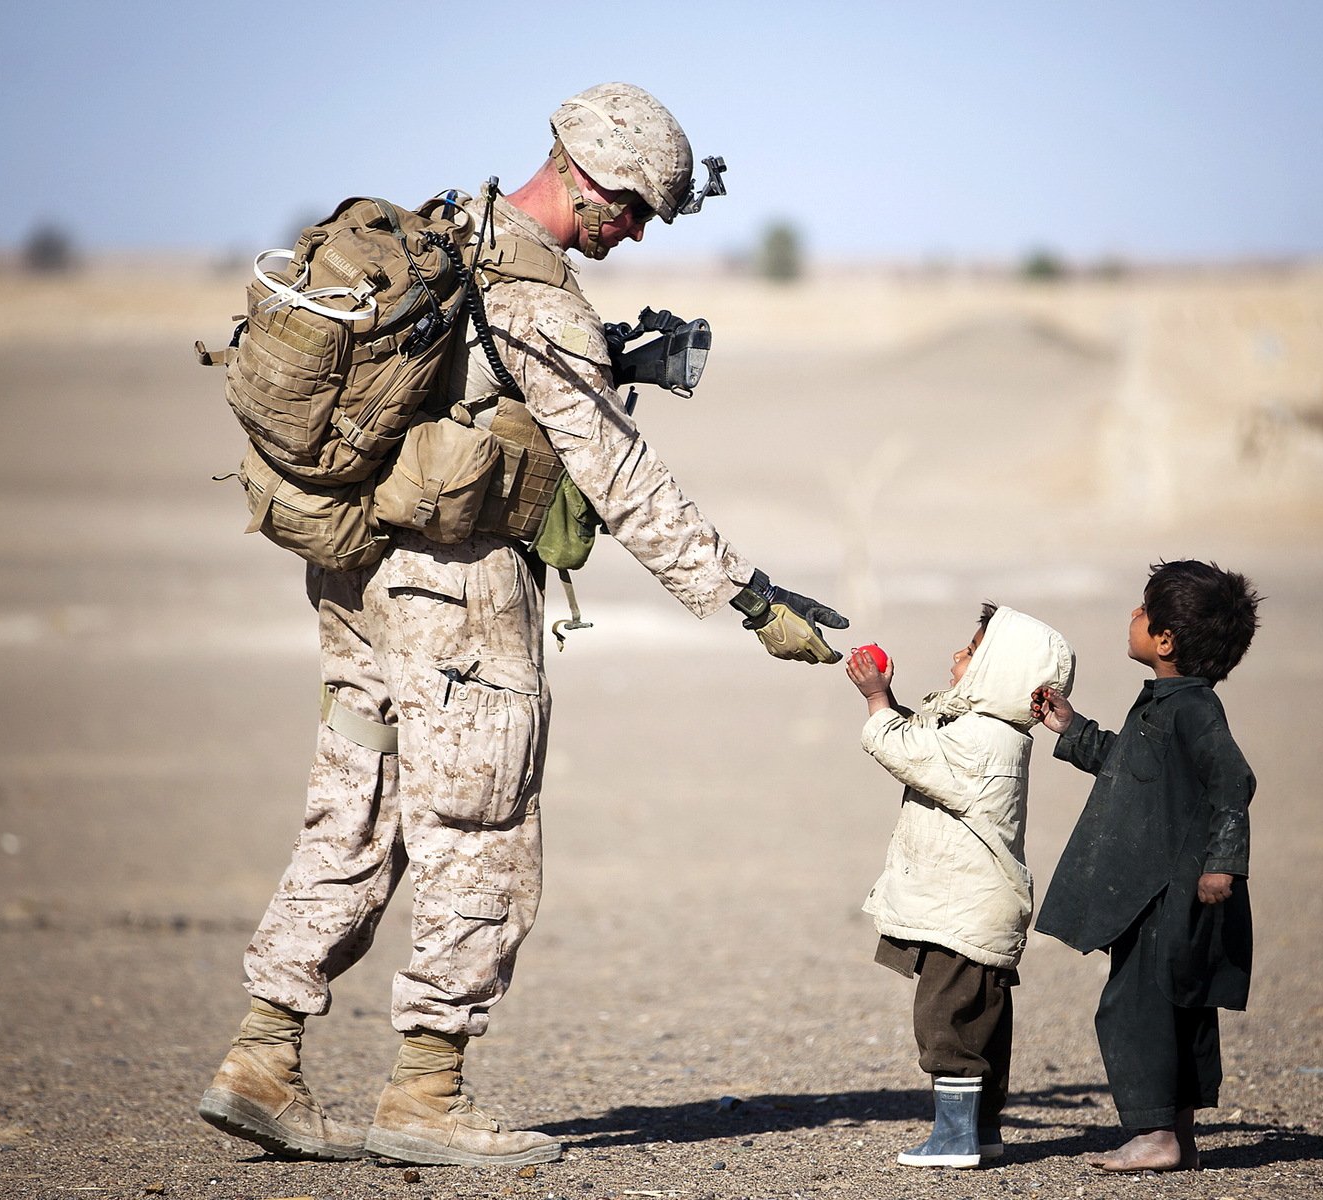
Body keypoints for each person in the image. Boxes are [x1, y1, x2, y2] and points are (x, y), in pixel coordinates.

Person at [198, 83, 849, 1169]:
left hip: (357, 575)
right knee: (482, 832)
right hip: (458, 596)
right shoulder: (539, 300)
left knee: (355, 807)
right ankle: (427, 1092)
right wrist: (748, 596)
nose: (634, 234)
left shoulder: (451, 234)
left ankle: (263, 1055)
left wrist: (601, 367)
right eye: (632, 210)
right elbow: (622, 477)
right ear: (586, 177)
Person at [1030, 560, 1260, 1173]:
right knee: (1174, 1002)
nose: (1132, 614)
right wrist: (1071, 728)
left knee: (1137, 1007)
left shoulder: (1194, 710)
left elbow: (1233, 781)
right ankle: (1177, 1135)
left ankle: (1155, 1134)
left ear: (1165, 641)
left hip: (1170, 891)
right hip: (1155, 889)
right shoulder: (1165, 703)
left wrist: (1223, 863)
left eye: (1143, 609)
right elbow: (1130, 767)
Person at [843, 605, 1075, 1169]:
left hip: (963, 911)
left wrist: (876, 700)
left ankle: (954, 1139)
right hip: (974, 907)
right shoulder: (986, 732)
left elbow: (908, 752)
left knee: (945, 1021)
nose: (956, 656)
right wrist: (890, 700)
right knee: (982, 1023)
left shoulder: (984, 739)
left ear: (1001, 671)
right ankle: (982, 1130)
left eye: (972, 651)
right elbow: (928, 741)